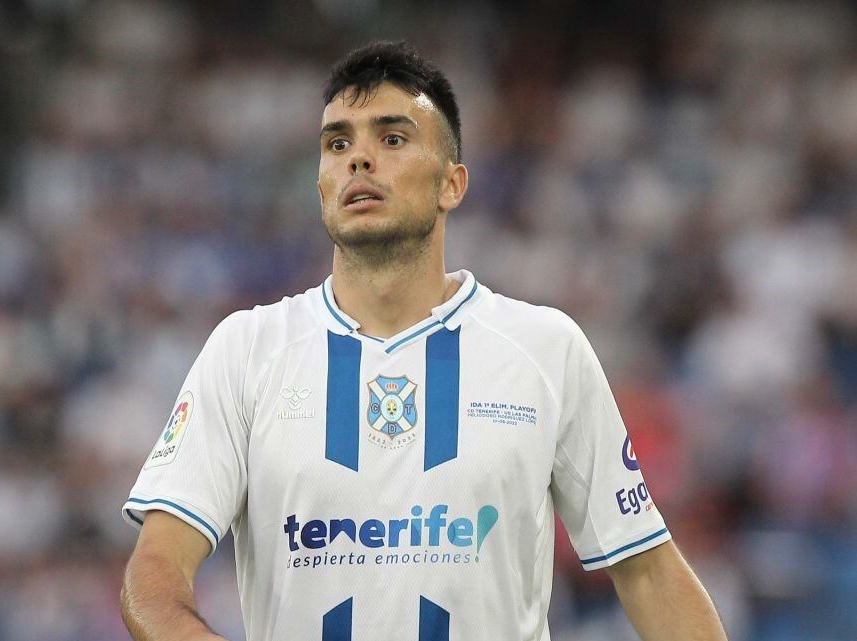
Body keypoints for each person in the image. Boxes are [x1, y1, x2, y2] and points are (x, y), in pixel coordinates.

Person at [119, 41, 728, 641]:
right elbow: (153, 575)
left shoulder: (545, 350)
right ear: (322, 188)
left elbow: (648, 572)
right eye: (338, 144)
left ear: (452, 184)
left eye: (392, 138)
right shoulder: (246, 351)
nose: (359, 160)